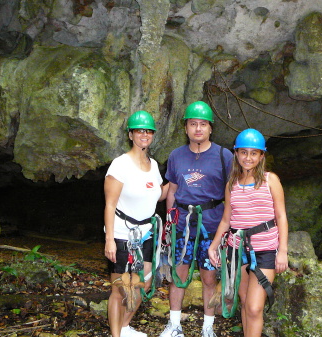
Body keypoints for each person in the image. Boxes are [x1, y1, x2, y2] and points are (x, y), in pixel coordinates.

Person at [160, 101, 233, 337]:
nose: (198, 129)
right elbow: (171, 189)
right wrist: (169, 223)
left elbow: (232, 194)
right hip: (182, 224)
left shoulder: (224, 156)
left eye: (203, 124)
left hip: (212, 225)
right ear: (186, 128)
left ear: (211, 128)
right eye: (193, 124)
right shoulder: (176, 156)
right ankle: (174, 325)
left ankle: (207, 328)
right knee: (178, 274)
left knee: (209, 276)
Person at [208, 128, 289, 337]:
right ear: (236, 153)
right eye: (244, 152)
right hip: (238, 250)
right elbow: (227, 219)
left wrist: (283, 251)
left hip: (266, 250)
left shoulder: (271, 180)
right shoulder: (231, 185)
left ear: (262, 155)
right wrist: (214, 245)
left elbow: (281, 216)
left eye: (254, 153)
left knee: (254, 307)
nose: (248, 157)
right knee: (244, 302)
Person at [104, 110, 168, 337]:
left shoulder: (153, 166)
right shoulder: (120, 165)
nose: (144, 134)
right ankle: (116, 335)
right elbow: (110, 204)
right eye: (139, 130)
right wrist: (109, 239)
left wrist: (177, 182)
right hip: (122, 233)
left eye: (148, 131)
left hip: (146, 233)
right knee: (120, 289)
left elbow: (158, 195)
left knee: (144, 285)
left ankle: (125, 326)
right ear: (130, 134)